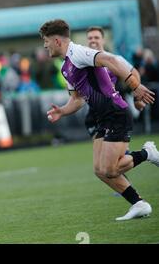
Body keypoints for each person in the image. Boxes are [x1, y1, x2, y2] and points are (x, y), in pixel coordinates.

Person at [39, 19, 159, 221]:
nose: (44, 45)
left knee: (110, 169)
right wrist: (62, 111)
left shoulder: (78, 52)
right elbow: (76, 100)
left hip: (116, 113)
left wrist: (134, 86)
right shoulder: (65, 67)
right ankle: (138, 204)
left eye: (46, 41)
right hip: (102, 118)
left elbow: (111, 61)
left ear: (57, 40)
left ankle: (148, 153)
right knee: (100, 171)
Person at [84, 26, 145, 138]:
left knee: (117, 152)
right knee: (101, 153)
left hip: (114, 110)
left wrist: (137, 98)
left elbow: (134, 73)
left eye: (96, 37)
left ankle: (145, 154)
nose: (93, 40)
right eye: (90, 38)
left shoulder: (113, 59)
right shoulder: (83, 61)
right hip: (93, 113)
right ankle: (144, 154)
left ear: (103, 40)